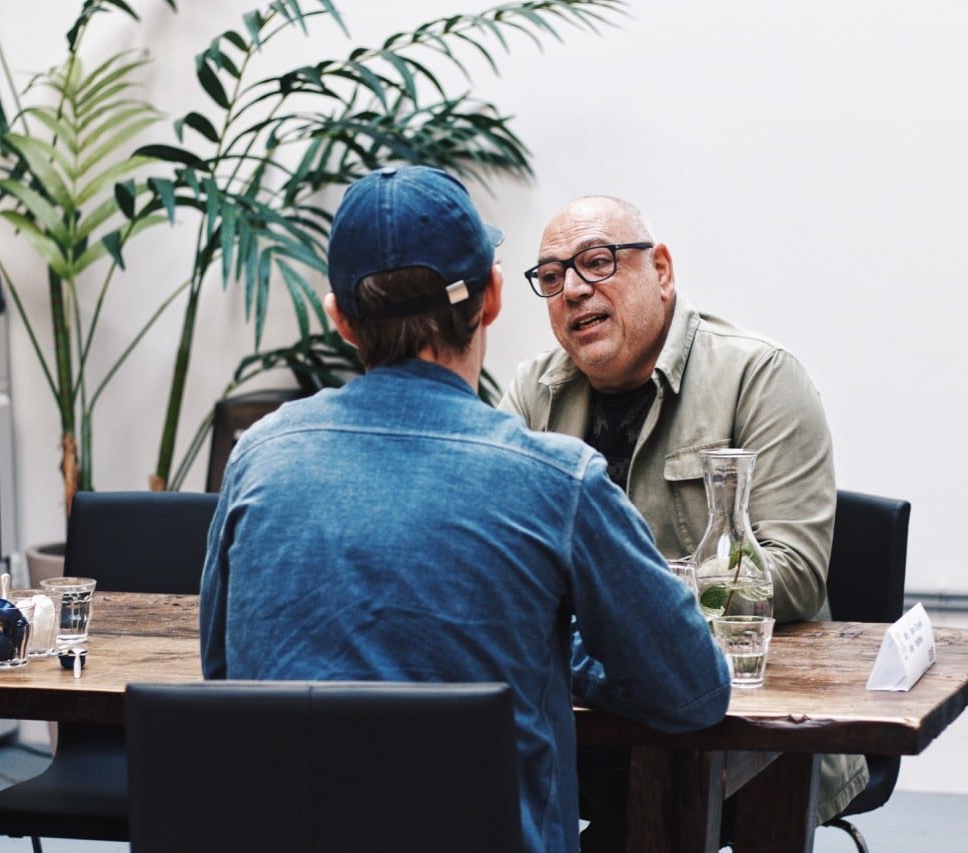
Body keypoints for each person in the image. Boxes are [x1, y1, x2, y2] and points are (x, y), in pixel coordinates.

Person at [200, 167, 731, 853]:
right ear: (493, 295)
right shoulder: (557, 481)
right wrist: (564, 645)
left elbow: (222, 672)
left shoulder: (256, 458)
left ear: (339, 319)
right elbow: (692, 690)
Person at [500, 195, 868, 842]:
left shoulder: (758, 375)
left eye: (597, 262)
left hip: (739, 725)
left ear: (661, 270)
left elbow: (793, 572)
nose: (575, 291)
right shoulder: (534, 390)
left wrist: (625, 603)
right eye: (552, 279)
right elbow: (502, 563)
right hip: (587, 711)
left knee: (659, 798)